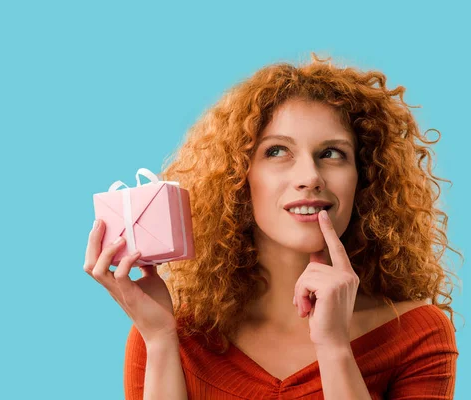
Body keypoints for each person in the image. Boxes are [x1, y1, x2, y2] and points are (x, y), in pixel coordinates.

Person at [83, 53, 462, 399]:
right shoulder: (166, 331)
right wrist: (163, 341)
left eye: (332, 153)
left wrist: (333, 348)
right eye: (277, 151)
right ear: (239, 179)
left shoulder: (418, 333)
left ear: (364, 179)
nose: (310, 177)